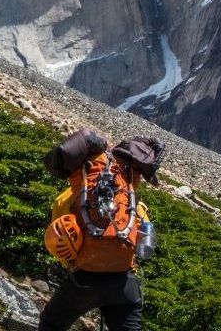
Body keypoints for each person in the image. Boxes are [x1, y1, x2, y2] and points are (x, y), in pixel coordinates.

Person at [38, 128, 164, 331]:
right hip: (124, 283)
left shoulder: (70, 197)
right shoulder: (129, 199)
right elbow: (143, 238)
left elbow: (58, 237)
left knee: (51, 323)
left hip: (84, 280)